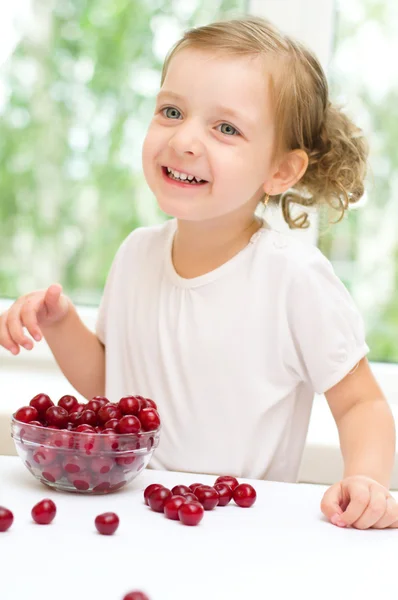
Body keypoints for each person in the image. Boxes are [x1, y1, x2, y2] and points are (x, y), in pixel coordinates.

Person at [0, 15, 396, 530]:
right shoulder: (136, 254)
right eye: (171, 111)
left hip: (236, 527)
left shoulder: (293, 277)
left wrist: (367, 480)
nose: (185, 138)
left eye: (226, 127)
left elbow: (361, 402)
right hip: (136, 514)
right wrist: (60, 323)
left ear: (280, 171)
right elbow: (112, 385)